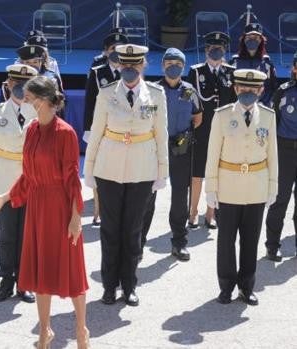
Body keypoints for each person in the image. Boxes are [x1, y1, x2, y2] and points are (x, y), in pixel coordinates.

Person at [0, 76, 89, 349]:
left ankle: (81, 330)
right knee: (41, 272)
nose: (27, 101)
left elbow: (72, 179)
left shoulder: (65, 133)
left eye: (30, 98)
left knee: (71, 271)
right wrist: (5, 198)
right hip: (38, 207)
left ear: (43, 101)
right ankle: (45, 331)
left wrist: (76, 217)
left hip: (61, 207)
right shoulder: (31, 129)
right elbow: (28, 176)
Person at [84, 44, 169, 306]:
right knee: (110, 230)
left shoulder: (156, 94)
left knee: (133, 230)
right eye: (125, 65)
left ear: (143, 65)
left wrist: (162, 171)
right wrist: (89, 170)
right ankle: (109, 287)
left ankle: (129, 285)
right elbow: (96, 132)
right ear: (119, 65)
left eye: (135, 65)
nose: (129, 70)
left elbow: (161, 134)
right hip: (109, 168)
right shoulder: (106, 93)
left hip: (142, 169)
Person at [205, 69, 278, 305]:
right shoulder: (222, 115)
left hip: (256, 186)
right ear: (236, 89)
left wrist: (272, 187)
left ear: (260, 90)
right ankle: (226, 286)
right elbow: (212, 154)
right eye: (243, 89)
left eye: (252, 90)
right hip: (228, 186)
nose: (248, 93)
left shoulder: (268, 116)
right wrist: (211, 189)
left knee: (250, 240)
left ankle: (247, 286)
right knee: (226, 240)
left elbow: (273, 155)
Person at [140, 48, 203, 262]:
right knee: (148, 196)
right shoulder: (152, 90)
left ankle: (179, 242)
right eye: (169, 63)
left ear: (183, 66)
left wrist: (184, 135)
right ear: (163, 66)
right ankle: (138, 244)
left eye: (177, 63)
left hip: (180, 148)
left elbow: (198, 117)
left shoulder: (189, 90)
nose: (173, 67)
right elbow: (145, 118)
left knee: (179, 197)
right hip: (155, 149)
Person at [0, 64, 38, 304]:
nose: (20, 88)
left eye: (25, 85)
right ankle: (6, 280)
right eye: (16, 83)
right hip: (4, 180)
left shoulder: (39, 112)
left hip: (32, 180)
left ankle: (24, 283)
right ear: (8, 82)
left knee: (27, 235)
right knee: (7, 235)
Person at [186, 31, 236, 229]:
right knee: (197, 171)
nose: (215, 52)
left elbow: (233, 101)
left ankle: (211, 212)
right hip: (202, 128)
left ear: (224, 50)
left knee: (218, 172)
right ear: (206, 50)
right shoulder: (196, 71)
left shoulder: (231, 72)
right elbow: (189, 100)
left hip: (223, 130)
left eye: (219, 49)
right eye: (211, 48)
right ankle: (192, 211)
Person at [82, 27, 129, 226]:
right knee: (99, 167)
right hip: (101, 128)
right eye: (112, 48)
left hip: (124, 129)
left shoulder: (130, 72)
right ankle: (99, 211)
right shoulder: (97, 72)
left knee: (123, 166)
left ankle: (121, 206)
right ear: (106, 51)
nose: (116, 51)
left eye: (120, 47)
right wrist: (88, 128)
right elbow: (90, 102)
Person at [264, 52, 297, 261]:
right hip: (284, 151)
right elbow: (271, 123)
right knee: (280, 199)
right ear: (294, 68)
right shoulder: (283, 92)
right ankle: (273, 244)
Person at [229, 23, 278, 106]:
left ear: (261, 40)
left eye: (256, 38)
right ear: (244, 39)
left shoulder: (267, 64)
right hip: (237, 107)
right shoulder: (234, 63)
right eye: (249, 37)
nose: (252, 40)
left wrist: (264, 104)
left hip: (261, 107)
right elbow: (229, 88)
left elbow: (272, 89)